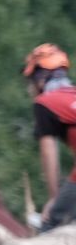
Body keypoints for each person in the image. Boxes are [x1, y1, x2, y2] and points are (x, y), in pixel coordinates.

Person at [25, 44, 76, 231]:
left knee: (54, 223)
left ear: (39, 79)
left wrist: (54, 199)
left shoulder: (45, 103)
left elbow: (49, 153)